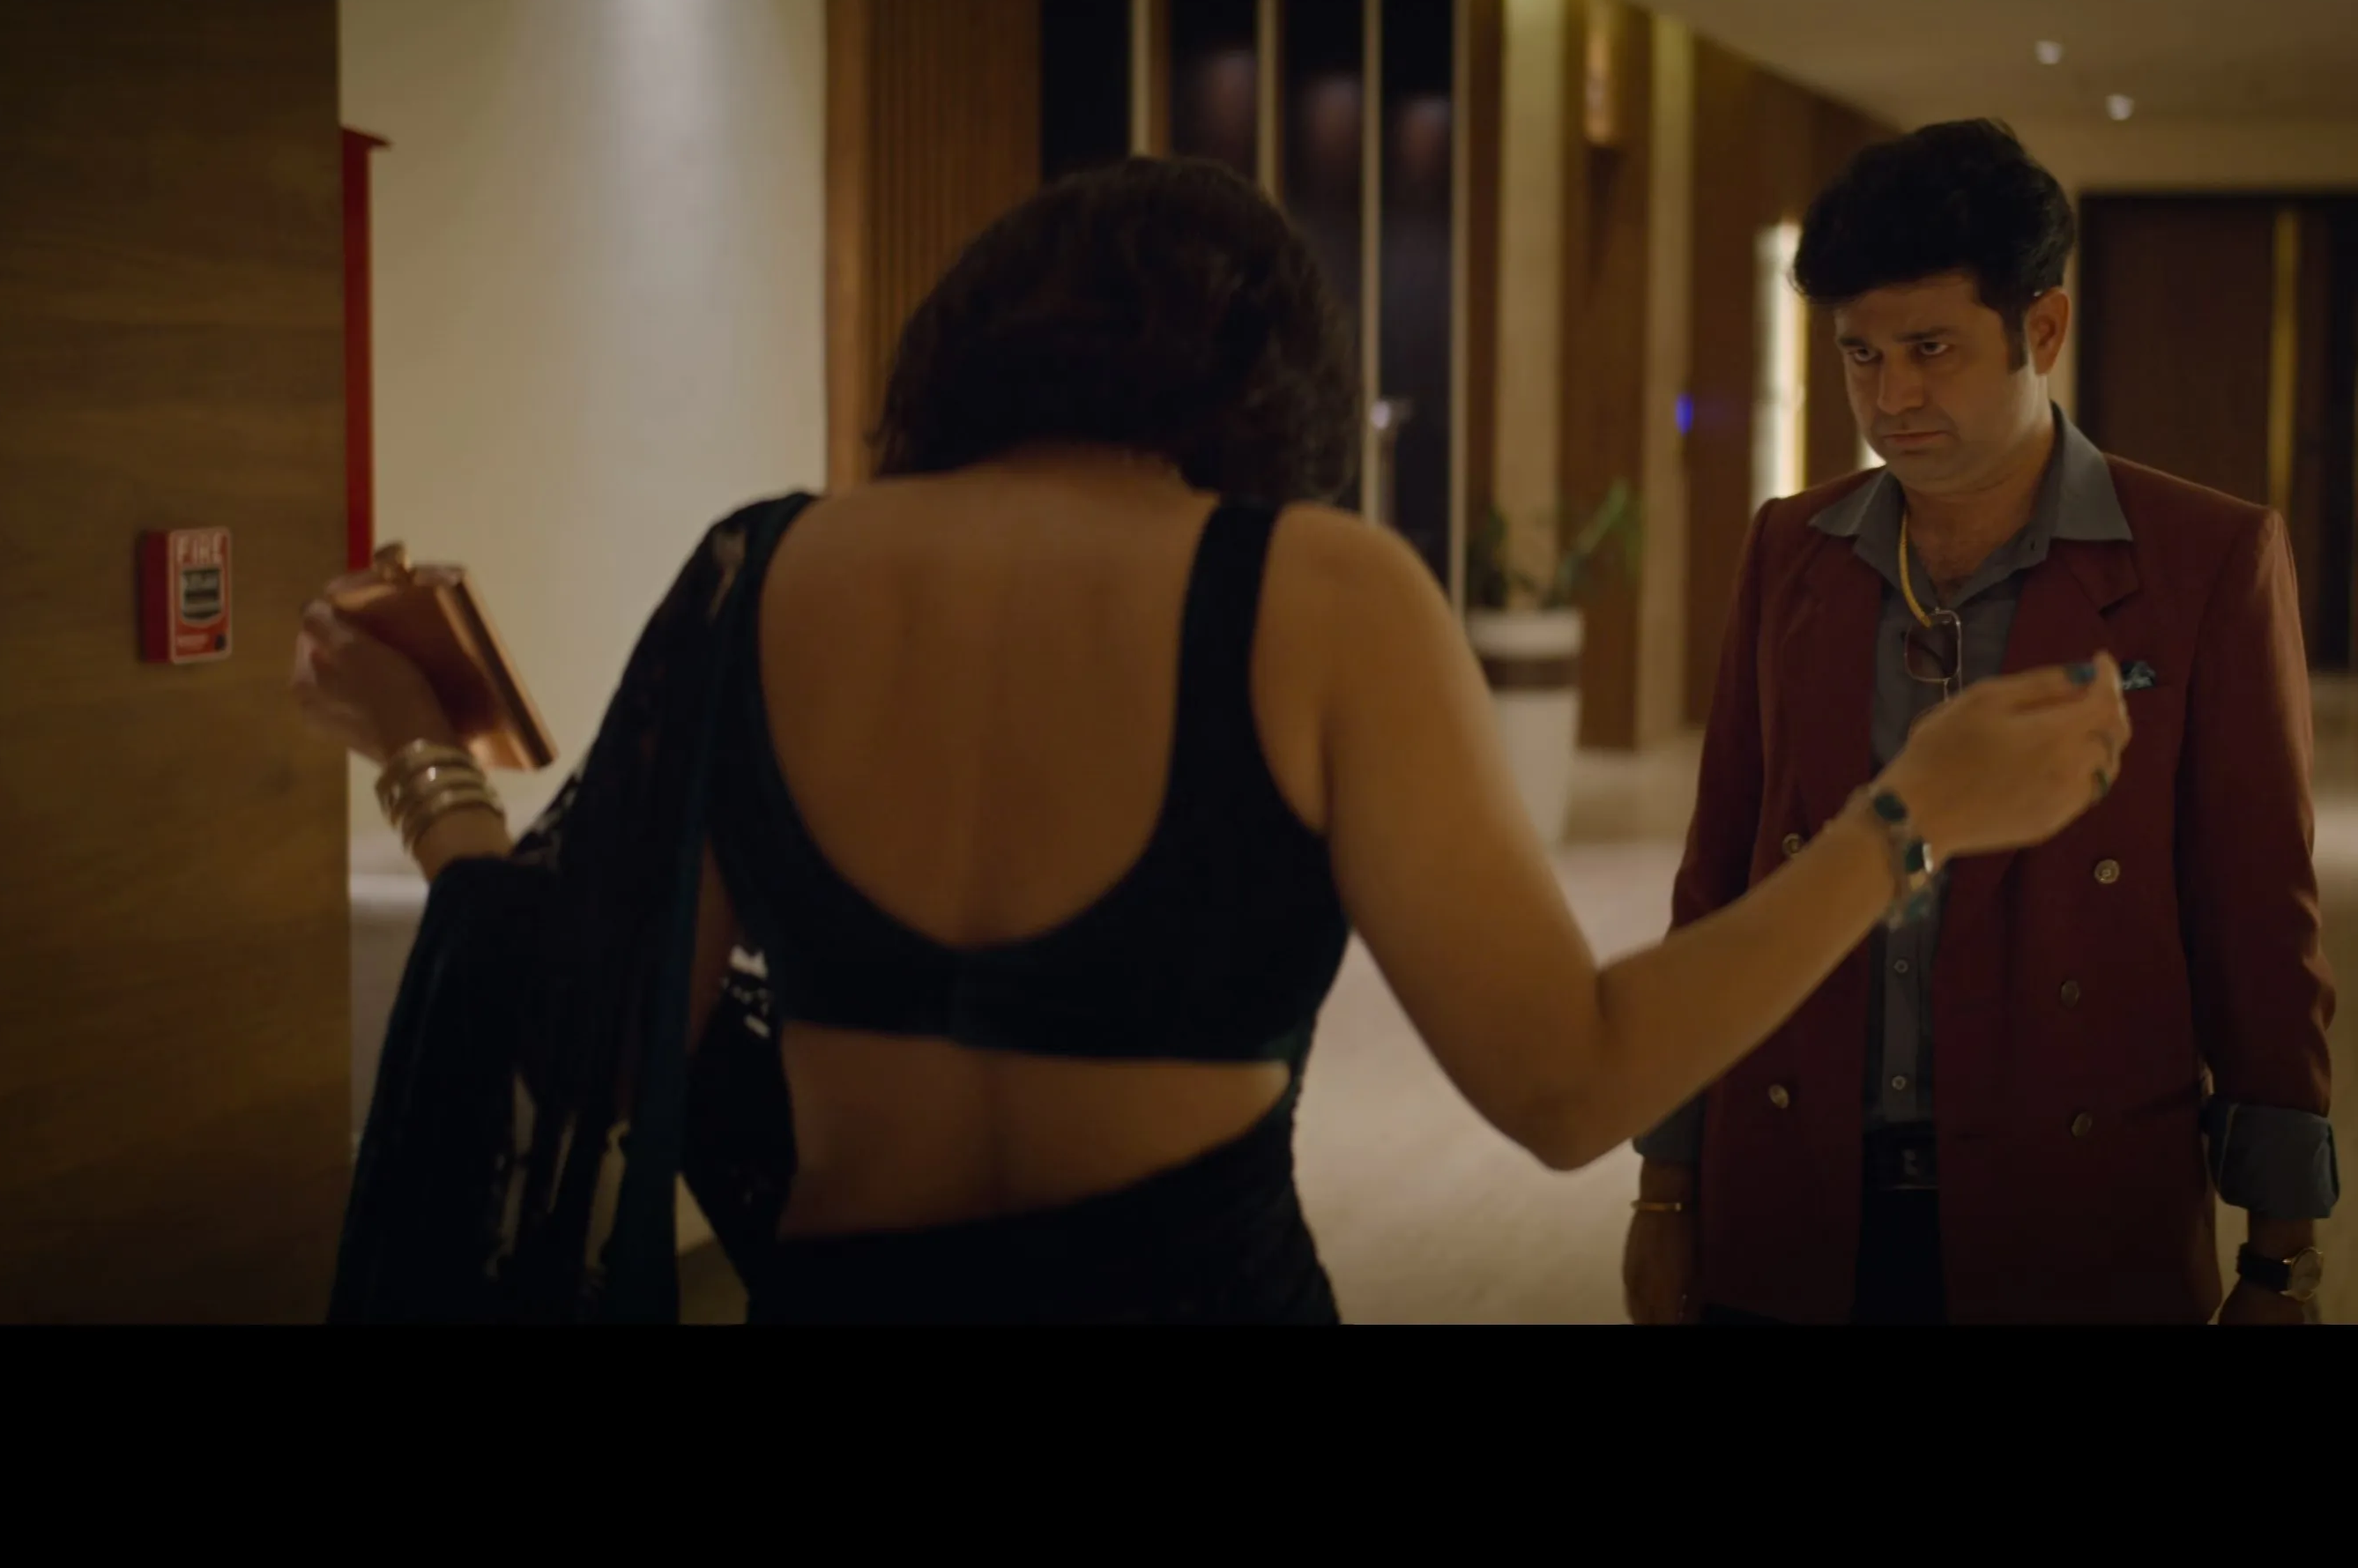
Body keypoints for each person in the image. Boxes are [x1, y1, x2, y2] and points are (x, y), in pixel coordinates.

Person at [299, 153, 2133, 1325]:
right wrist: (1907, 818)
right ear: (1275, 381)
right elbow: (1568, 1086)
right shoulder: (1315, 595)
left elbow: (589, 1031)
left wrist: (422, 752)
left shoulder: (762, 571)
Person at [1623, 120, 2339, 1326]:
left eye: (1931, 349)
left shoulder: (2204, 563)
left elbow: (2259, 922)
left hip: (2072, 1210)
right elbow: (1720, 882)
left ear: (2042, 331)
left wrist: (2280, 1255)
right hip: (1795, 1197)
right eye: (1860, 355)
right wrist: (1666, 1190)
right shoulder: (1793, 552)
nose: (1890, 396)